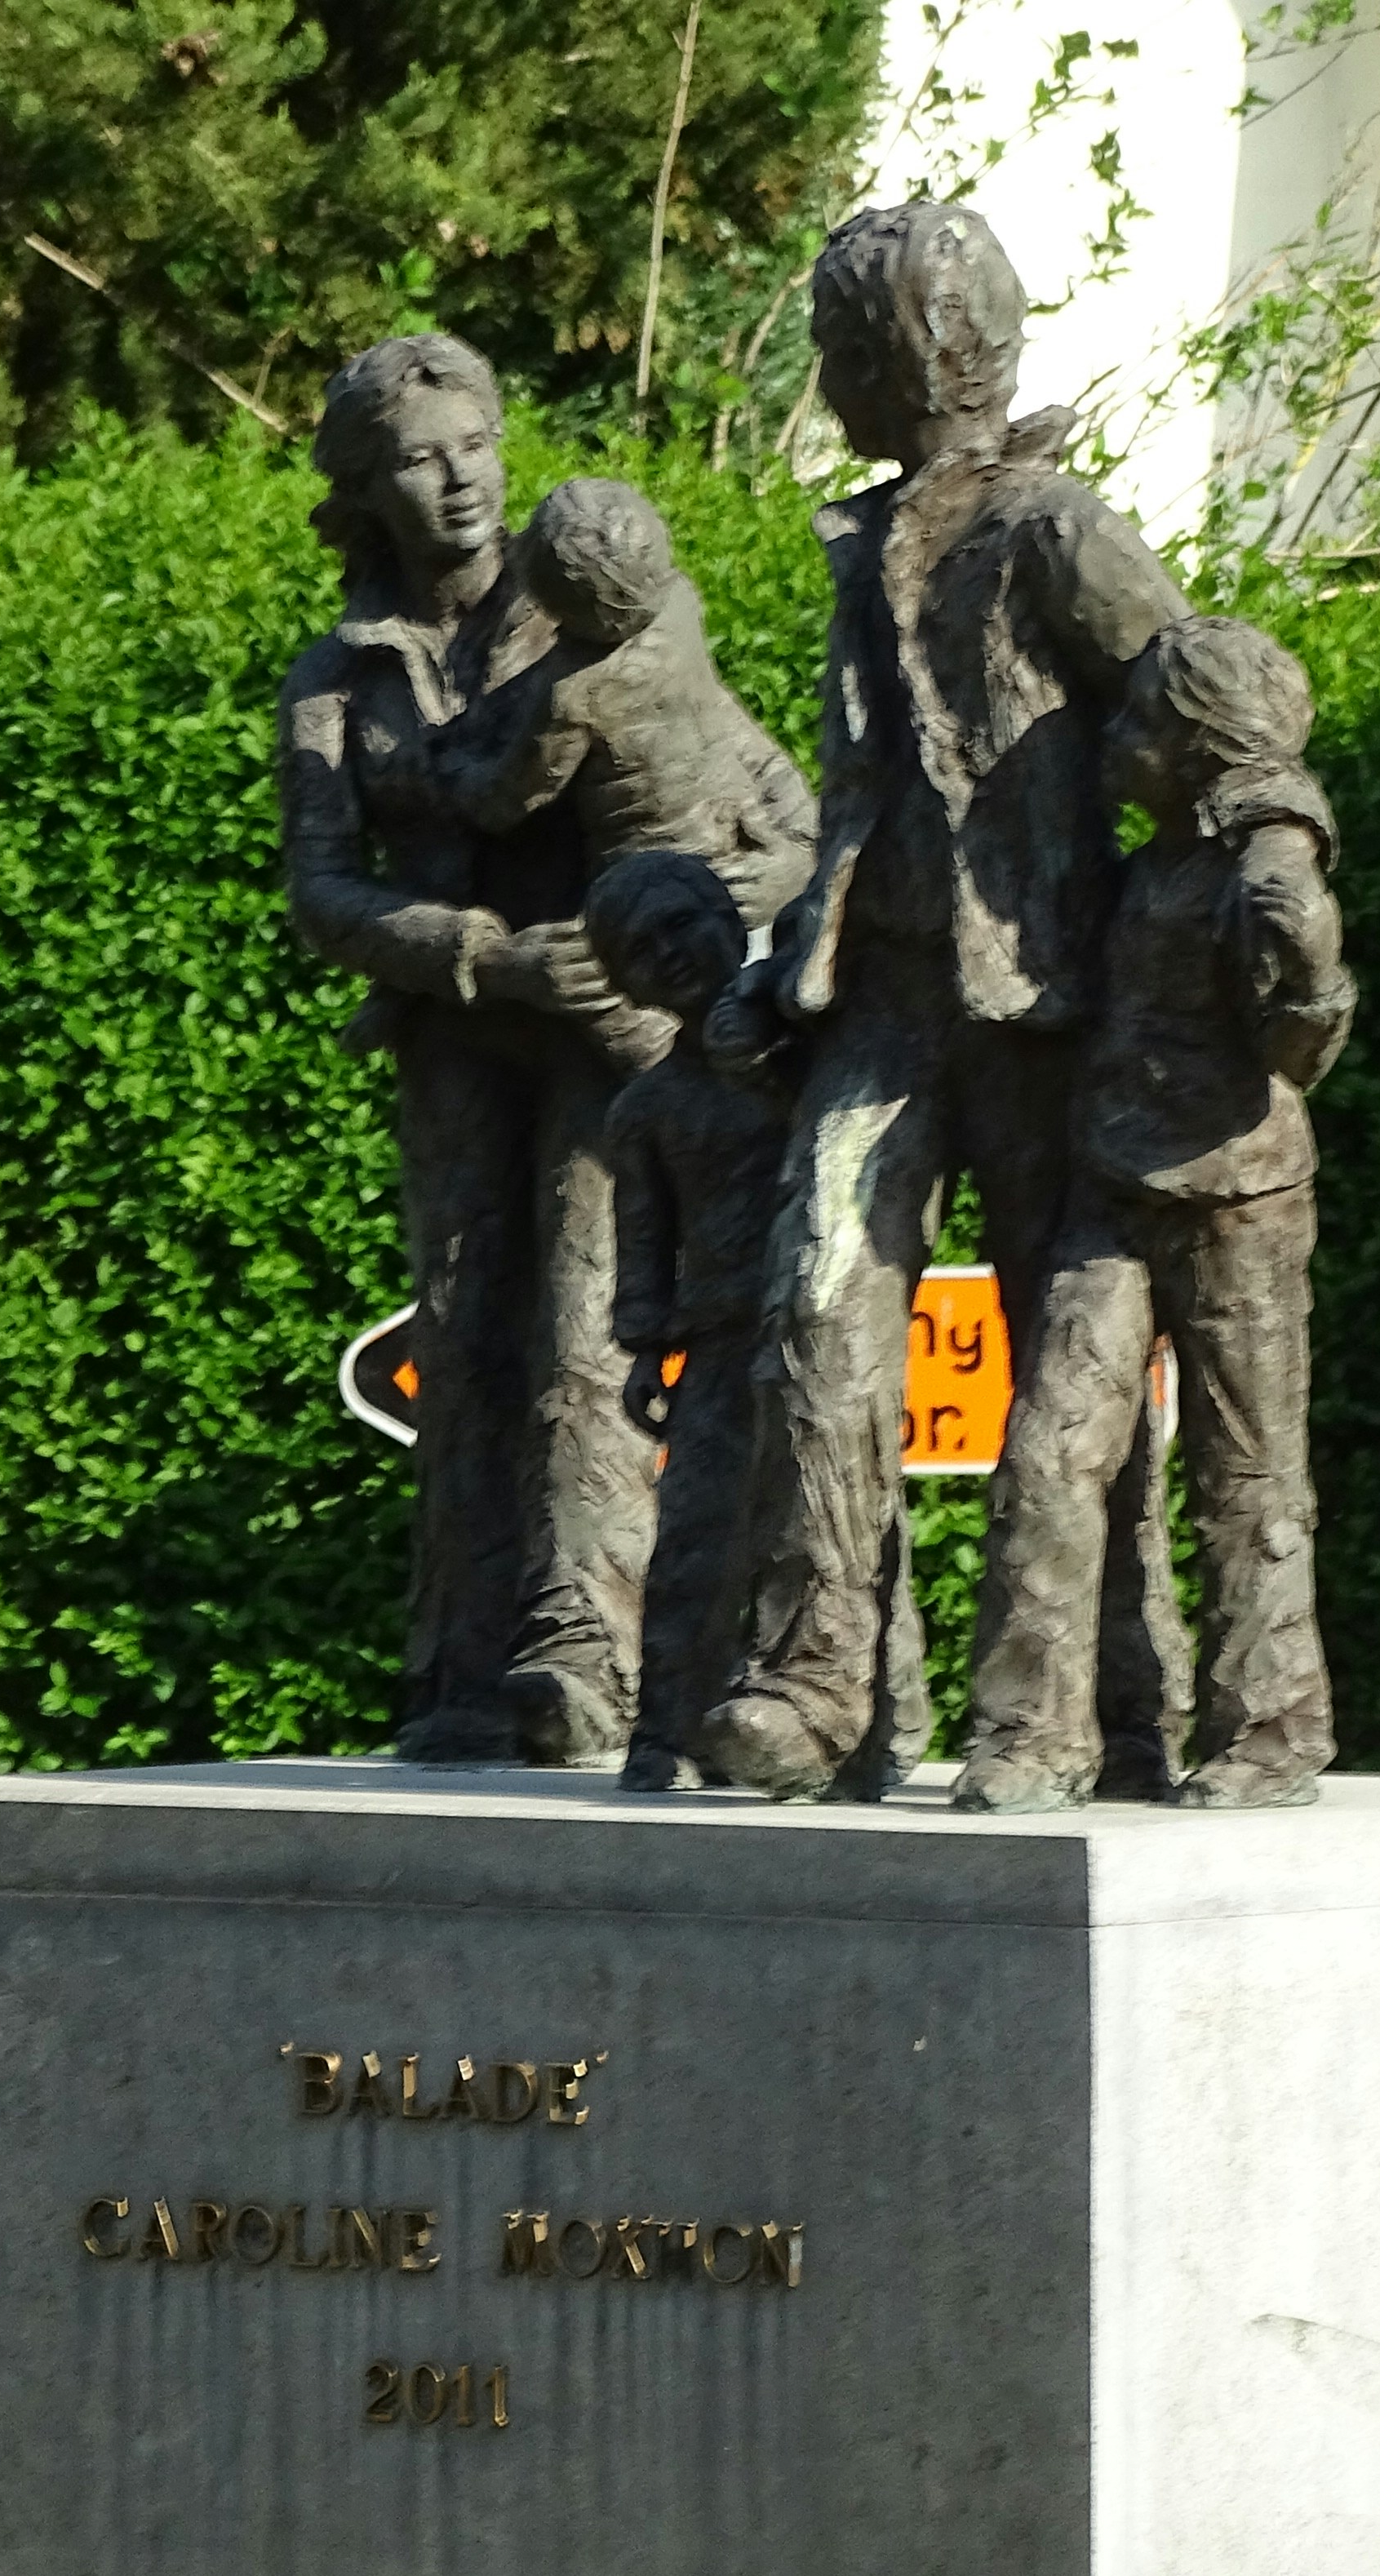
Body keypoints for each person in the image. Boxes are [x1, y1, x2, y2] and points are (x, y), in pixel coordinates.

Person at [685, 200, 1188, 1805]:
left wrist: (1225, 933)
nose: (826, 377)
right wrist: (791, 967)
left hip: (1040, 1011)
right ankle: (816, 1684)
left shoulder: (1055, 532)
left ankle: (1123, 1697)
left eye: (838, 349)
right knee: (813, 1318)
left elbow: (1207, 709)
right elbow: (857, 797)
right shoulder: (863, 538)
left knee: (1072, 1374)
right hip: (883, 1006)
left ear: (909, 358)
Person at [276, 335, 659, 1768]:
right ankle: (457, 1658)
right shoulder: (336, 675)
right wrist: (477, 952)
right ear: (366, 491)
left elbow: (706, 782)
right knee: (464, 1332)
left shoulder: (581, 616)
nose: (461, 485)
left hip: (598, 1034)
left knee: (583, 1324)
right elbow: (322, 887)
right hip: (453, 1039)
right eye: (421, 463)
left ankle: (581, 1651)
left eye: (478, 449)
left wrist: (629, 952)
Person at [956, 619, 1347, 1813]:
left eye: (1137, 725)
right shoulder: (1164, 857)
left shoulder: (1264, 855)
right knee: (1049, 1452)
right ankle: (1036, 1733)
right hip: (1112, 1184)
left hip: (1238, 1199)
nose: (1113, 744)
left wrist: (1310, 970)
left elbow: (1299, 1039)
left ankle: (1272, 1729)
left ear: (1193, 745)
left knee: (1248, 1474)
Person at [578, 851, 920, 1789]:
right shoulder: (645, 1109)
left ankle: (877, 1731)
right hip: (721, 1346)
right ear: (626, 986)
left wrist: (768, 1065)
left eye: (682, 925)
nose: (672, 955)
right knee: (696, 1541)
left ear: (729, 923)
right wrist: (645, 1347)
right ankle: (666, 1733)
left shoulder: (812, 1061)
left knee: (848, 1524)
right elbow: (643, 1239)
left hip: (822, 1331)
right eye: (642, 952)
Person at [424, 479, 813, 930]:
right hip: (744, 828)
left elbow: (509, 799)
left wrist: (452, 768)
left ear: (551, 595)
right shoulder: (681, 607)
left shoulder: (572, 696)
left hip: (660, 886)